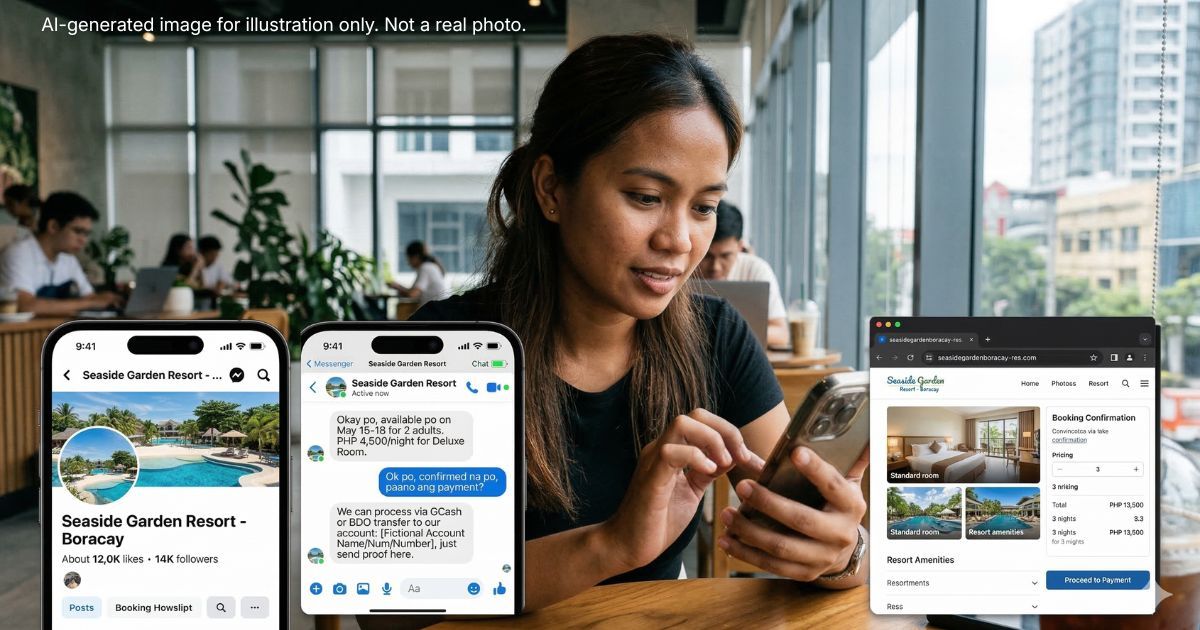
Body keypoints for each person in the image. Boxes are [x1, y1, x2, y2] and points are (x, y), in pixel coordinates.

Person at [401, 34, 867, 615]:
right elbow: (391, 608)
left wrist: (843, 551)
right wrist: (611, 545)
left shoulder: (714, 336)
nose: (679, 240)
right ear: (551, 189)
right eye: (646, 197)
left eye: (703, 207)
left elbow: (844, 540)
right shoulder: (445, 348)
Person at [0, 192, 121, 315]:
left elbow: (89, 297)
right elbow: (24, 305)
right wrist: (90, 302)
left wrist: (107, 299)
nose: (83, 240)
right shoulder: (19, 253)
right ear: (53, 226)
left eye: (86, 234)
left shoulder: (68, 259)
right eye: (78, 231)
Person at [698, 201, 790, 348]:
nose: (715, 267)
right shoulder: (681, 269)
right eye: (707, 256)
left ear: (740, 247)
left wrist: (728, 333)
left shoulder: (756, 269)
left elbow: (781, 334)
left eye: (725, 256)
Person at [387, 240, 449, 305]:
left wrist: (397, 287)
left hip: (436, 309)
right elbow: (414, 292)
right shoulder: (430, 266)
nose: (408, 262)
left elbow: (412, 294)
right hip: (438, 307)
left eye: (408, 258)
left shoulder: (425, 268)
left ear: (415, 257)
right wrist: (398, 287)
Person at [0, 184, 39, 251]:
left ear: (24, 202)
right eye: (6, 204)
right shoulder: (22, 223)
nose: (7, 208)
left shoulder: (39, 223)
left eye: (10, 204)